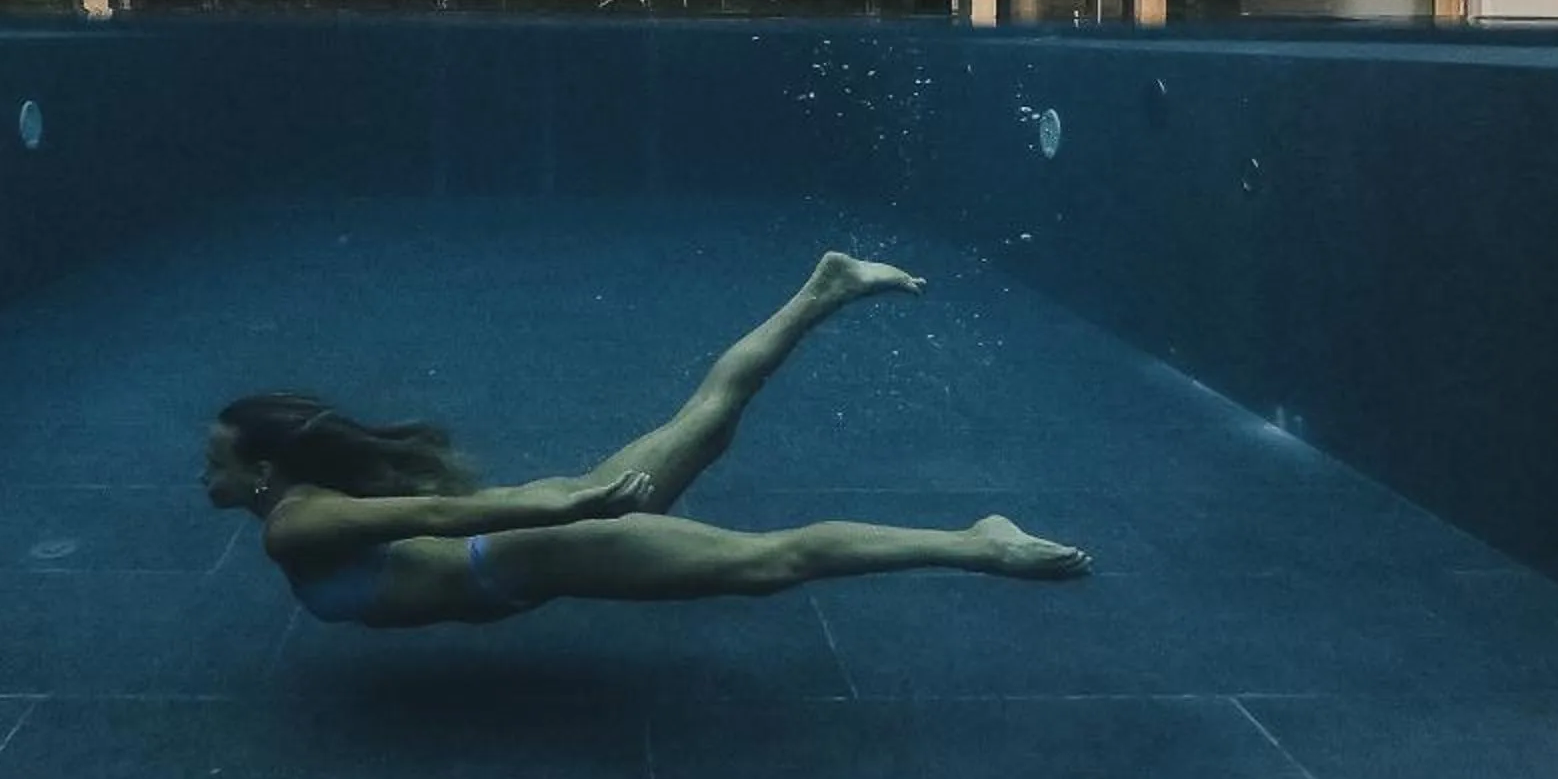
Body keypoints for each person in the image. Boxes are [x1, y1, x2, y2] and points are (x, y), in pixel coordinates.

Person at [200, 251, 1090, 626]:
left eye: (218, 459)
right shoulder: (305, 505)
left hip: (538, 550)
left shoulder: (293, 525)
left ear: (264, 471)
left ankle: (975, 544)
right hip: (533, 537)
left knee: (769, 563)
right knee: (703, 422)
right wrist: (567, 500)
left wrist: (572, 505)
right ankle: (824, 288)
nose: (206, 472)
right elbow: (430, 510)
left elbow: (435, 509)